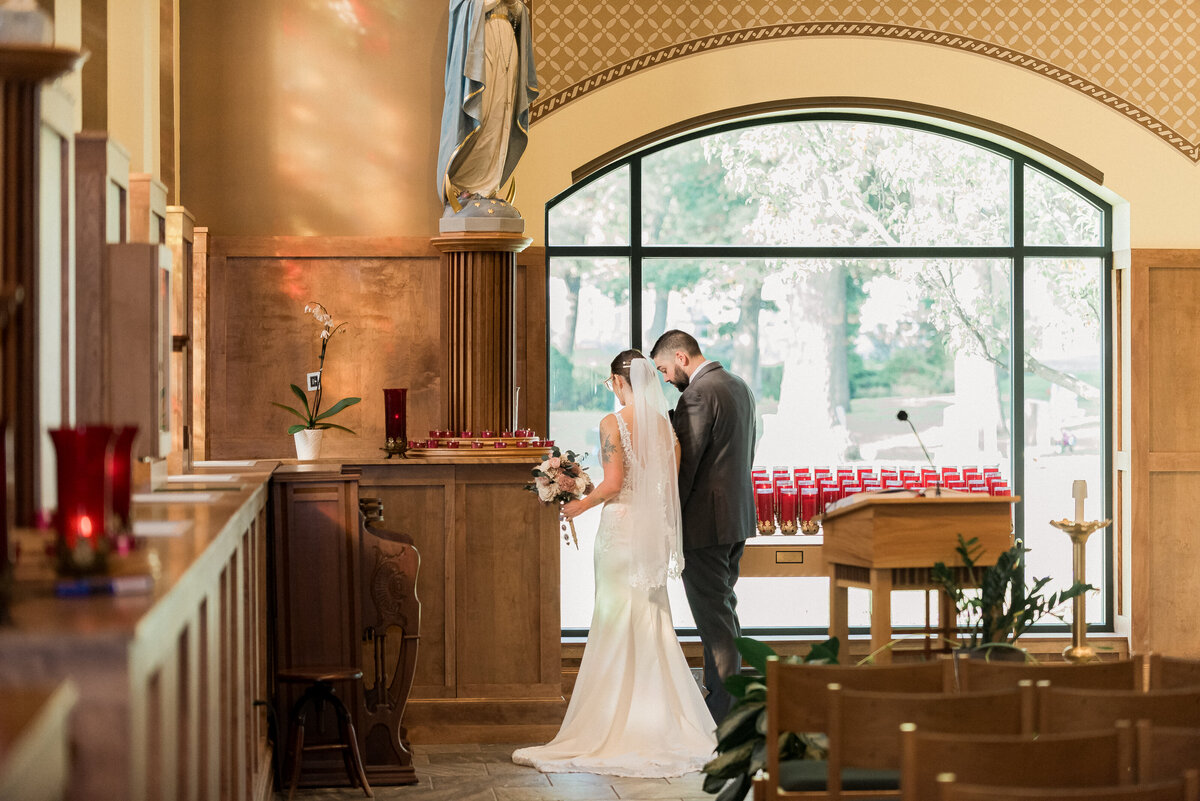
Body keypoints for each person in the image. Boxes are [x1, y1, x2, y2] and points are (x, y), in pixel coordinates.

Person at [512, 351, 715, 777]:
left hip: (621, 532)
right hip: (652, 532)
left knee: (615, 618)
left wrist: (578, 506)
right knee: (652, 619)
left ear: (619, 382)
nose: (612, 392)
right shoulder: (666, 427)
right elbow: (667, 485)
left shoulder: (613, 423)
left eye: (610, 385)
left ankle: (613, 722)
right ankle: (663, 721)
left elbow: (615, 482)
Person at [650, 330, 757, 724]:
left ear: (681, 356)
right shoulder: (738, 386)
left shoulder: (696, 394)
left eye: (663, 368)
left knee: (714, 620)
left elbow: (687, 466)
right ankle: (731, 702)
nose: (664, 378)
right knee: (723, 611)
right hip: (736, 518)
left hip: (705, 525)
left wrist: (662, 514)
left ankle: (723, 714)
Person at [436, 0, 538, 210]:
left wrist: (514, 6)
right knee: (486, 110)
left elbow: (519, 14)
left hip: (508, 41)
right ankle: (466, 184)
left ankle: (489, 185)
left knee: (502, 112)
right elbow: (462, 8)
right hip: (484, 40)